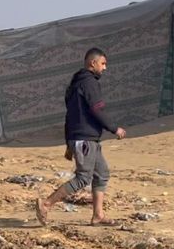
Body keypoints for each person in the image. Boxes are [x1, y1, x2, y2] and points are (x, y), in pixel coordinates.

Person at [36, 47, 127, 227]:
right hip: (85, 139)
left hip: (86, 138)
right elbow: (97, 109)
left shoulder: (76, 83)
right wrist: (114, 128)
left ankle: (98, 215)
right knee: (83, 178)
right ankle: (46, 204)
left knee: (101, 174)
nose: (105, 68)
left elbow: (71, 115)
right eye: (103, 64)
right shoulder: (89, 83)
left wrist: (69, 142)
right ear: (92, 63)